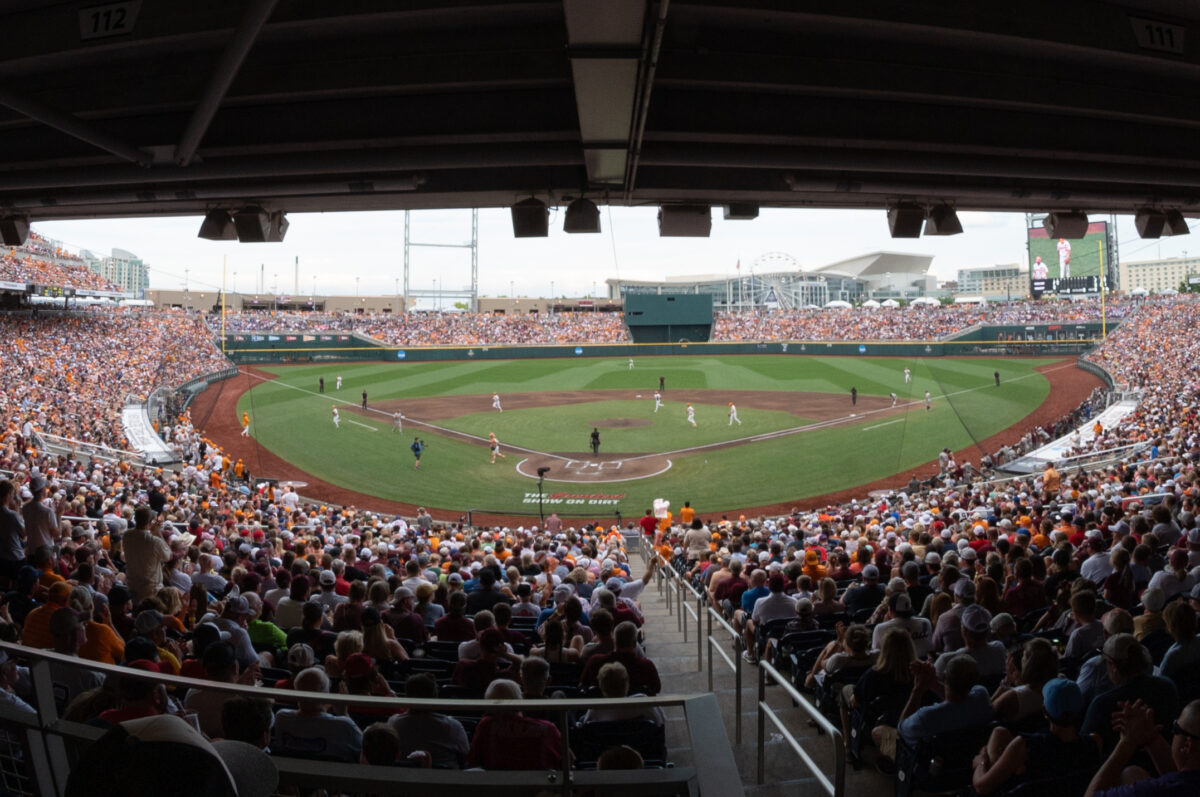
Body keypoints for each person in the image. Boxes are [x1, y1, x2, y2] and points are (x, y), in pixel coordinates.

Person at [1085, 698, 1200, 796]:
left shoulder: (1157, 790)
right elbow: (1181, 776)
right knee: (1132, 773)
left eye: (1175, 727)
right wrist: (1152, 739)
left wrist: (1127, 743)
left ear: (1187, 744)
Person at [124, 506, 171, 603]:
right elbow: (168, 556)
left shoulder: (127, 535)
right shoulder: (154, 541)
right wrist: (158, 533)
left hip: (132, 583)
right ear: (151, 522)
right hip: (150, 588)